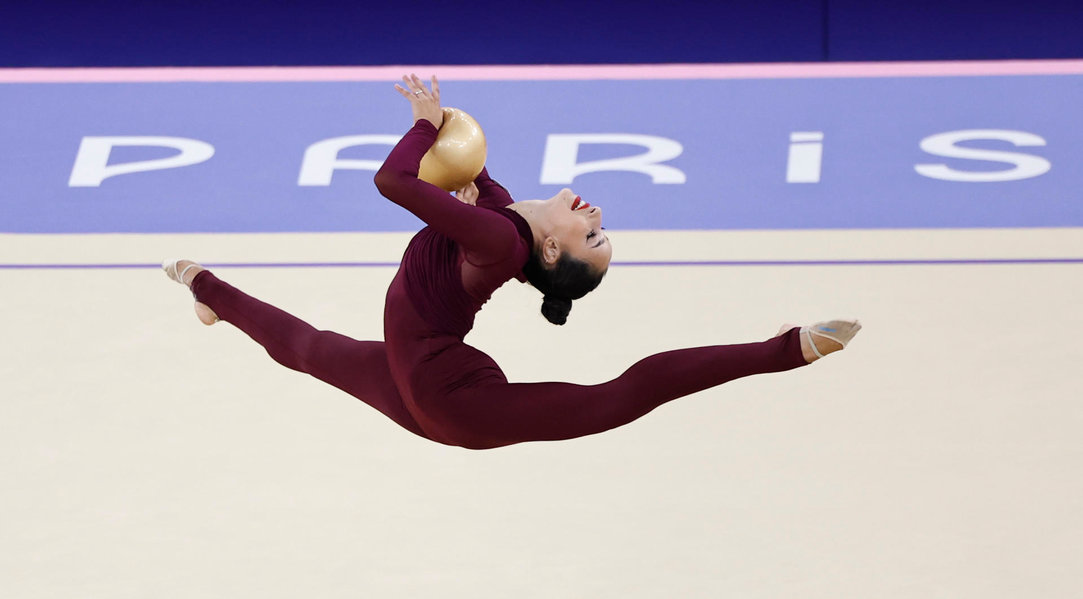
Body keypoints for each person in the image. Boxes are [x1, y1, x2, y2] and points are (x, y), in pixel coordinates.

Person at [163, 74, 860, 450]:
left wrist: (423, 124)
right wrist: (457, 151)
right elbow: (477, 174)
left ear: (550, 251)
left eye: (593, 237)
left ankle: (787, 349)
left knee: (614, 399)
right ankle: (205, 287)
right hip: (416, 381)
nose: (594, 217)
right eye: (601, 228)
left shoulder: (498, 243)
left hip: (454, 403)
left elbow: (394, 183)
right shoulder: (501, 216)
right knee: (310, 349)